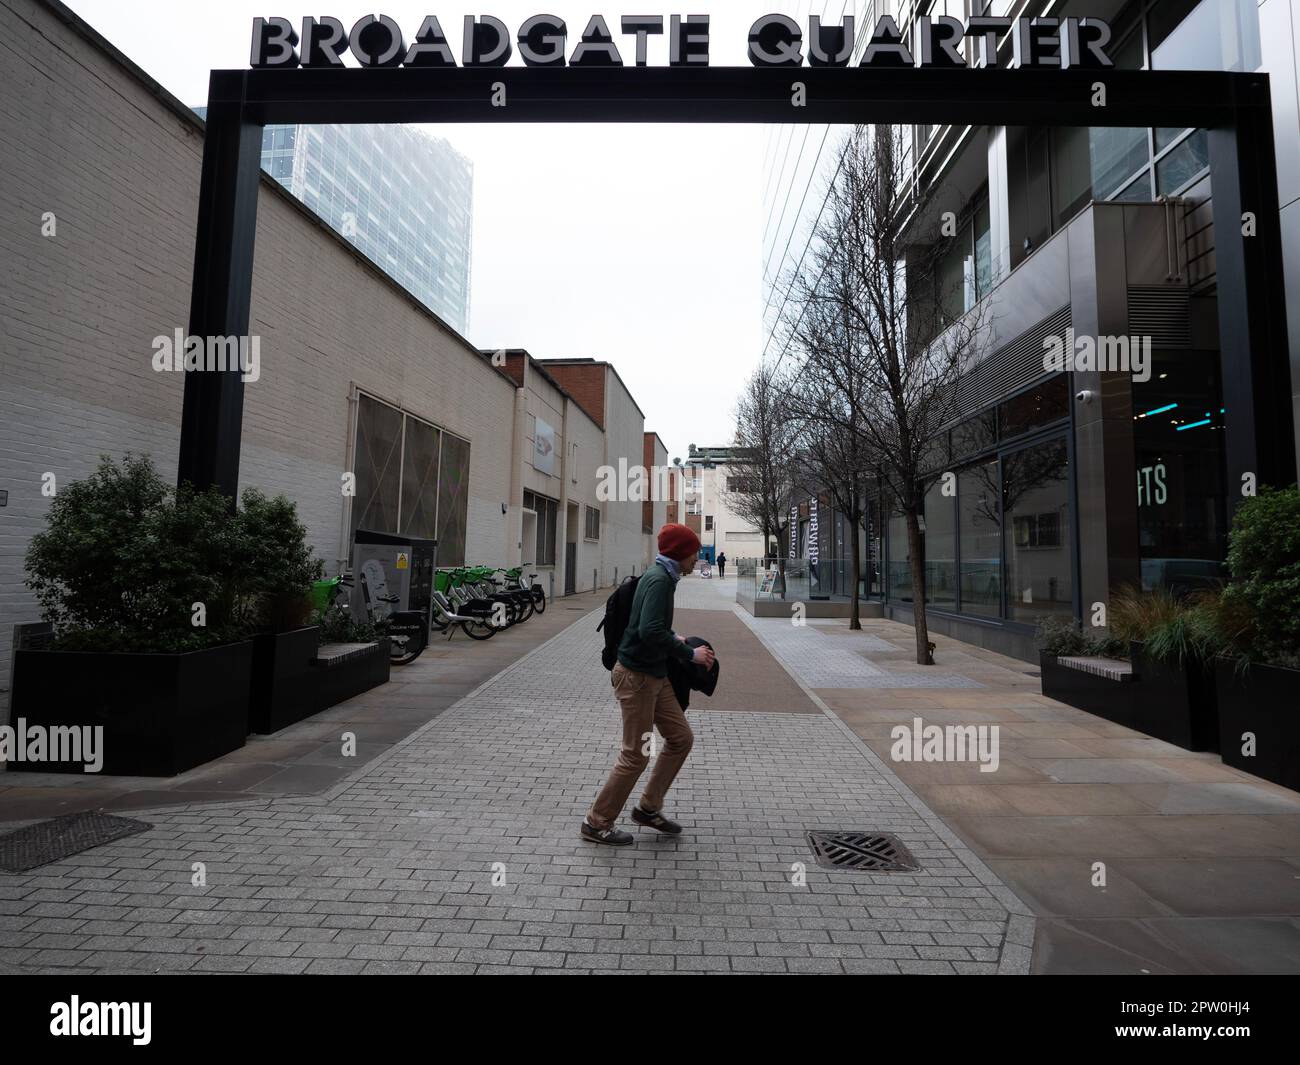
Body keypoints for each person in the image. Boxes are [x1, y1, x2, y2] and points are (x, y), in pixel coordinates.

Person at [582, 523, 715, 846]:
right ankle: (596, 822)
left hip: (654, 675)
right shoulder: (658, 581)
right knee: (636, 755)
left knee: (680, 738)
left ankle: (648, 808)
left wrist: (673, 636)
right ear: (681, 553)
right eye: (694, 552)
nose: (697, 558)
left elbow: (649, 625)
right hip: (638, 678)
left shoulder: (662, 577)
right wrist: (689, 653)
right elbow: (648, 631)